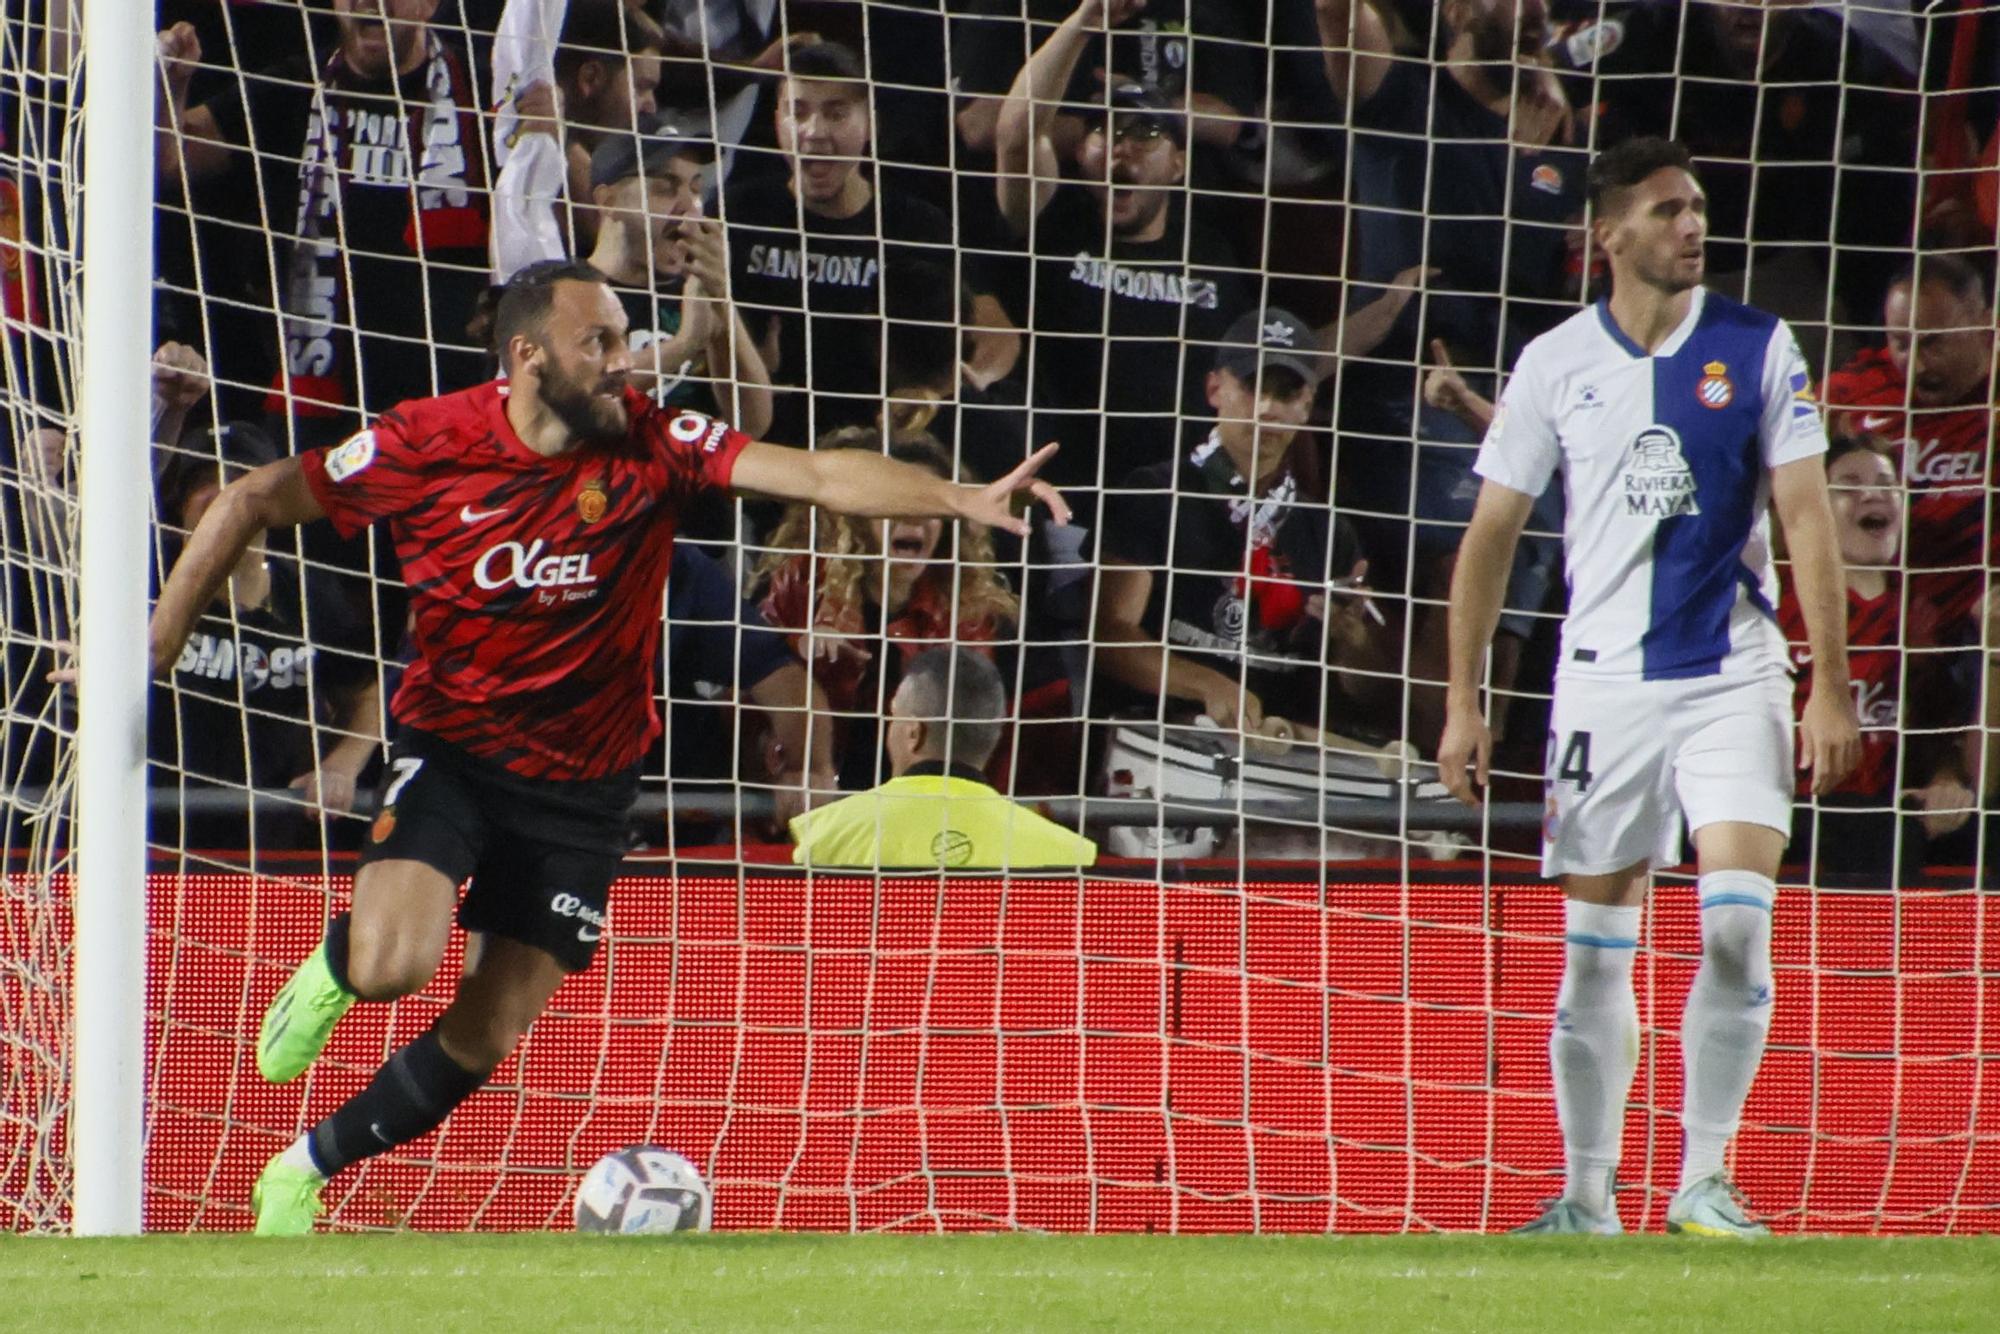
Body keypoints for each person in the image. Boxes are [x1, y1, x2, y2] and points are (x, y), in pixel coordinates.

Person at [125, 258, 1067, 1235]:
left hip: (586, 783)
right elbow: (248, 500)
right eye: (600, 343)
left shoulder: (658, 441)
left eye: (624, 338)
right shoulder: (429, 438)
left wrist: (954, 497)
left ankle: (304, 1164)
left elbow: (818, 474)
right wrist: (150, 647)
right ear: (528, 355)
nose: (625, 362)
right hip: (454, 748)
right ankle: (339, 966)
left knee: (489, 1028)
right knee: (392, 964)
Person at [1437, 137, 1861, 1238]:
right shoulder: (1551, 364)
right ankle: (1585, 1197)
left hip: (1734, 671)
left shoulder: (1757, 345)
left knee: (1734, 926)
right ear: (1606, 234)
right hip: (1598, 686)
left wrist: (1830, 685)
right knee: (1590, 955)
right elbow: (1489, 536)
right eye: (1668, 209)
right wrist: (1462, 699)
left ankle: (1702, 1179)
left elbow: (1805, 514)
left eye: (1698, 207)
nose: (1691, 225)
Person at [1315, 0, 1588, 752]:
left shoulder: (1561, 142)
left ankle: (1465, 800)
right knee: (1462, 562)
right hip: (1407, 386)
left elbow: (1557, 294)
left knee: (1518, 606)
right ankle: (1433, 782)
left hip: (1514, 401)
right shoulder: (1401, 96)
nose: (1534, 12)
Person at [157, 1, 492, 439]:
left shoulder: (484, 89)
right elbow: (171, 160)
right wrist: (173, 82)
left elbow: (574, 211)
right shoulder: (295, 86)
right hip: (320, 401)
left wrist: (545, 132)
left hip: (452, 394)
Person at [1093, 307, 1389, 741]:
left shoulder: (1329, 530)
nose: (1267, 410)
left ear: (1306, 406)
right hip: (1159, 736)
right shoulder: (1155, 491)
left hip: (1281, 752)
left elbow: (1366, 692)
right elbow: (1108, 633)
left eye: (1286, 394)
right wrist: (1206, 684)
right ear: (1215, 388)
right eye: (1254, 387)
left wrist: (1354, 644)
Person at [725, 40, 1019, 445]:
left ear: (870, 124)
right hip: (767, 443)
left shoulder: (915, 225)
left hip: (877, 445)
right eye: (798, 112)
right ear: (777, 119)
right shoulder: (741, 211)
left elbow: (996, 331)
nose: (814, 132)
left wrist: (965, 380)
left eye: (836, 113)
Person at [150, 423, 381, 855]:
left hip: (269, 838)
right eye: (201, 481)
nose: (219, 495)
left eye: (237, 480)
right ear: (179, 504)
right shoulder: (146, 582)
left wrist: (341, 766)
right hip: (150, 831)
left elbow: (365, 694)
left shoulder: (312, 595)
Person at [752, 429, 1021, 792]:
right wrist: (807, 661)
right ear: (862, 517)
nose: (912, 517)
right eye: (899, 503)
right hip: (809, 785)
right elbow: (745, 703)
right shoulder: (802, 583)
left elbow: (965, 732)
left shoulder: (963, 608)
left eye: (926, 507)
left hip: (913, 795)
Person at [1778, 439, 1969, 882]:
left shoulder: (1926, 617)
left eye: (1887, 484)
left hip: (1890, 814)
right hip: (1796, 810)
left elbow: (1940, 731)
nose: (1872, 494)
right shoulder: (1779, 606)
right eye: (1849, 484)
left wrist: (1947, 780)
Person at [1822, 255, 1997, 644]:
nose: (1916, 365)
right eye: (1901, 344)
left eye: (1934, 344)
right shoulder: (1855, 392)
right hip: (1869, 623)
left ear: (1985, 326)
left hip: (1971, 634)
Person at [790, 647, 1097, 869]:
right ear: (993, 736)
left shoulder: (822, 834)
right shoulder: (1070, 856)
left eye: (894, 716)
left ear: (913, 733)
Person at [584, 116, 773, 438]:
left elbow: (752, 424)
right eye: (666, 188)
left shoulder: (696, 292)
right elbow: (577, 397)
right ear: (609, 201)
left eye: (697, 189)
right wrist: (685, 344)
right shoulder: (564, 291)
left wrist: (721, 296)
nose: (690, 208)